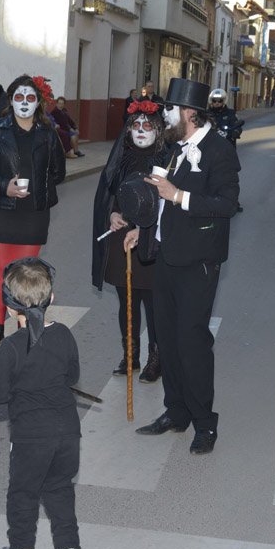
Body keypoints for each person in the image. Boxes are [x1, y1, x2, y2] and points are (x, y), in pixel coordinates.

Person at [127, 77, 241, 455]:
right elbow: (160, 202)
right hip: (167, 256)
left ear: (190, 112)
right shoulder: (174, 148)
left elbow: (227, 204)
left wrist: (179, 195)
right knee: (167, 340)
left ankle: (205, 423)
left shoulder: (219, 150)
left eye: (170, 110)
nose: (165, 116)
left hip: (198, 261)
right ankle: (176, 411)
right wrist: (142, 230)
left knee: (192, 343)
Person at [0, 257, 82, 549]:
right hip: (67, 431)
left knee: (23, 492)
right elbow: (72, 376)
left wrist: (4, 369)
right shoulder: (64, 335)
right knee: (60, 488)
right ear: (51, 298)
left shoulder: (11, 347)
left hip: (31, 436)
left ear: (10, 309)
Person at [0, 74, 66, 351]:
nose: (24, 102)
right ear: (10, 100)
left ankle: (26, 331)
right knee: (0, 272)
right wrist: (4, 186)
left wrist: (38, 189)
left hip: (33, 215)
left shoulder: (48, 133)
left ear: (38, 102)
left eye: (30, 97)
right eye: (19, 97)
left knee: (26, 274)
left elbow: (58, 172)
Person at [91, 97, 165, 382]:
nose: (142, 130)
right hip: (122, 237)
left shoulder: (167, 159)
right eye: (136, 125)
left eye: (148, 125)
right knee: (127, 300)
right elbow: (109, 193)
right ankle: (130, 355)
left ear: (158, 129)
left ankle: (156, 358)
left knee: (153, 303)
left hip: (152, 239)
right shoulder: (121, 157)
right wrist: (111, 214)